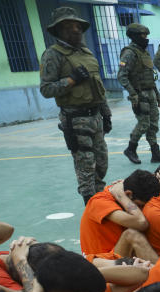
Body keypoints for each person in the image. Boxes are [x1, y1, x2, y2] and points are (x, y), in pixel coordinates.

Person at [39, 6, 112, 204]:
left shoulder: (86, 53)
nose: (75, 30)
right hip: (75, 119)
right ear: (59, 31)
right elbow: (46, 89)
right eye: (69, 26)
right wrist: (70, 80)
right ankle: (91, 207)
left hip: (95, 116)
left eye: (77, 26)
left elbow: (97, 86)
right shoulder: (53, 55)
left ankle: (99, 202)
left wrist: (106, 113)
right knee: (86, 166)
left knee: (101, 164)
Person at [119, 23, 160, 165]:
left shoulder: (144, 52)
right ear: (135, 36)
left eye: (146, 35)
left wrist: (158, 95)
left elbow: (151, 75)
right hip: (139, 94)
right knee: (143, 123)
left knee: (153, 124)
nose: (146, 38)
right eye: (143, 35)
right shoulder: (129, 53)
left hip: (150, 93)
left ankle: (155, 153)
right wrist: (133, 94)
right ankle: (131, 149)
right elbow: (122, 76)